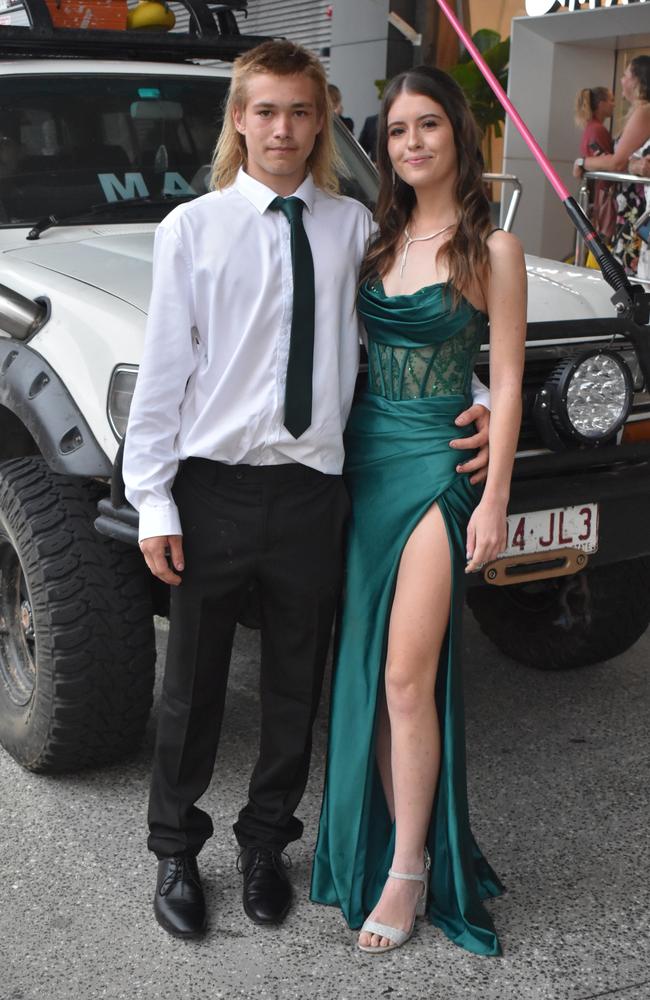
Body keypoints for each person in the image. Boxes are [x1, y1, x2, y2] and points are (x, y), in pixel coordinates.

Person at [122, 40, 491, 940]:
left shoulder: (355, 229)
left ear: (321, 121)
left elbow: (402, 332)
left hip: (315, 495)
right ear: (238, 121)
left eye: (300, 111)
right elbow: (165, 374)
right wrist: (155, 500)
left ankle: (263, 843)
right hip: (213, 487)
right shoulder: (192, 230)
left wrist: (472, 398)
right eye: (265, 111)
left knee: (295, 683)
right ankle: (175, 846)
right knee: (194, 683)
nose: (282, 128)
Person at [311, 65, 526, 957]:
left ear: (457, 135)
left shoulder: (493, 251)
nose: (412, 145)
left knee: (407, 675)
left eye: (428, 126)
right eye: (397, 131)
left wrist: (497, 498)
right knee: (364, 673)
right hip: (365, 461)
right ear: (382, 145)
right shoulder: (373, 239)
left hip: (440, 469)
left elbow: (507, 383)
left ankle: (408, 871)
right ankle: (409, 848)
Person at [574, 56, 650, 274]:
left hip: (637, 209)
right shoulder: (638, 112)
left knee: (631, 273)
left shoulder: (644, 112)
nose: (622, 80)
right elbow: (625, 161)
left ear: (637, 81)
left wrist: (584, 162)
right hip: (630, 207)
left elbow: (617, 161)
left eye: (626, 75)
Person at [574, 86, 615, 243]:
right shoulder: (597, 130)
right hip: (602, 198)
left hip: (597, 197)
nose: (614, 104)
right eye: (611, 100)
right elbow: (605, 162)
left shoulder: (592, 128)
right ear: (601, 104)